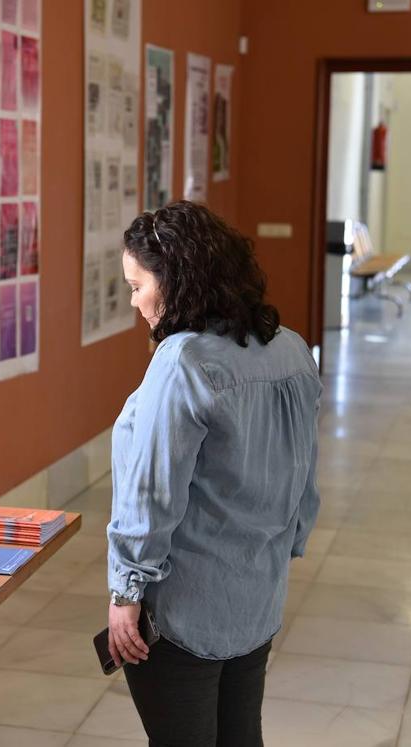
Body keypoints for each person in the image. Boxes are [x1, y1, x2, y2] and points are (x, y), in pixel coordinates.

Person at [106, 201, 321, 746]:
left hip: (184, 608)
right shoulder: (292, 349)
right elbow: (304, 474)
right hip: (257, 594)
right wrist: (283, 548)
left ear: (175, 281)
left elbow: (152, 494)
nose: (134, 302)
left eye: (137, 286)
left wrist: (126, 591)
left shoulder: (182, 360)